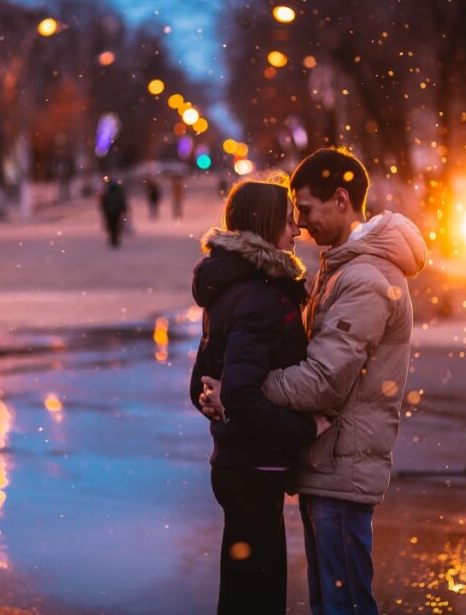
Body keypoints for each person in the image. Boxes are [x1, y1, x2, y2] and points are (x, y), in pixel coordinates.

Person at [207, 147, 427, 614]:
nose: (301, 224)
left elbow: (323, 380)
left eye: (305, 210)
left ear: (341, 199)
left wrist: (241, 392)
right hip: (329, 462)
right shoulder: (341, 266)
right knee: (332, 600)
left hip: (342, 465)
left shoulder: (364, 276)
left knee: (342, 604)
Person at [190, 178, 330, 615]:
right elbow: (244, 396)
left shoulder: (232, 287)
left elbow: (203, 382)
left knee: (244, 586)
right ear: (267, 225)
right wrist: (307, 428)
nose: (297, 230)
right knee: (259, 593)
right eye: (289, 221)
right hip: (252, 466)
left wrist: (217, 400)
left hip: (239, 464)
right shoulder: (258, 296)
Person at [99, 178, 128, 248]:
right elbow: (122, 202)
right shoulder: (118, 193)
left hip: (109, 212)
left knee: (111, 225)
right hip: (116, 212)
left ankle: (113, 238)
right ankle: (114, 238)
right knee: (115, 225)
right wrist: (124, 210)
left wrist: (104, 209)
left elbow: (104, 203)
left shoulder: (107, 193)